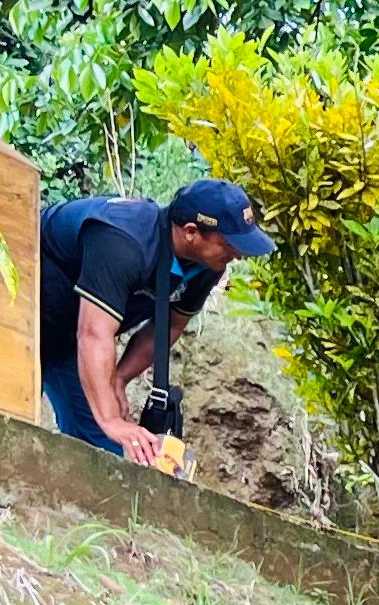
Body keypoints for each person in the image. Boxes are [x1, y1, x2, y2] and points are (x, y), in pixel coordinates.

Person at [36, 179, 272, 465]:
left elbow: (170, 325)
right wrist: (111, 419)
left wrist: (119, 378)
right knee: (12, 406)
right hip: (28, 298)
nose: (239, 254)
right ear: (191, 232)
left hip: (73, 332)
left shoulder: (209, 266)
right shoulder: (122, 242)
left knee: (101, 451)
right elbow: (94, 334)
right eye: (229, 244)